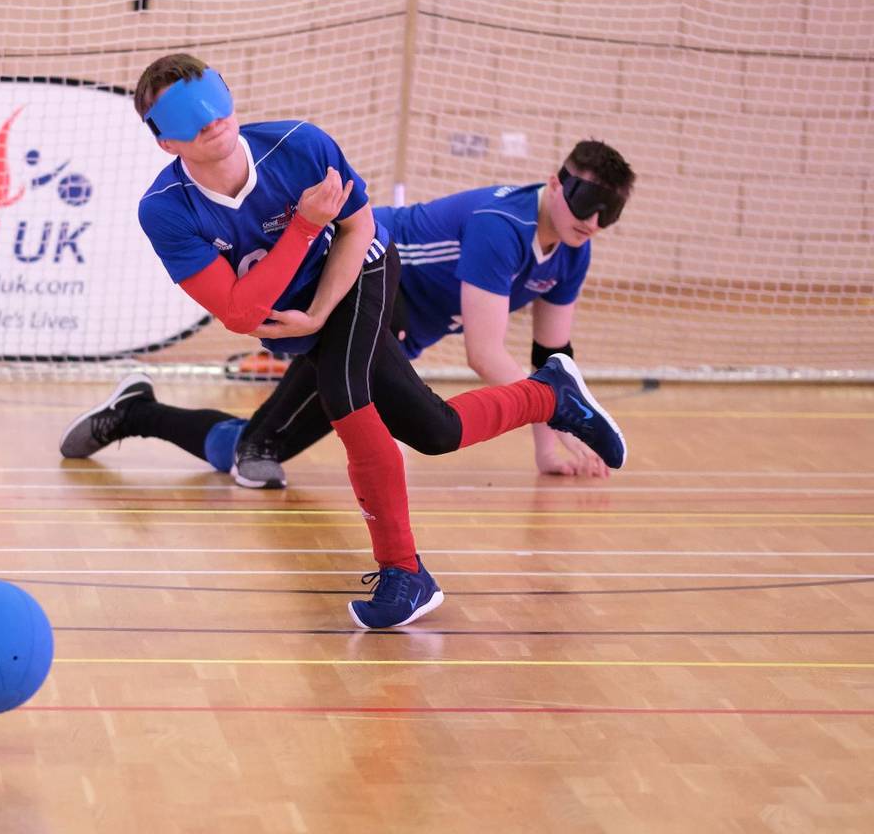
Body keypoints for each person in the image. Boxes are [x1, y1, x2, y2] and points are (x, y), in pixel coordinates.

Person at [90, 53, 626, 629]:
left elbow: (360, 227)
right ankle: (549, 395)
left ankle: (405, 572)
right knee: (432, 430)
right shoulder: (165, 210)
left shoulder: (300, 145)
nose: (211, 123)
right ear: (165, 141)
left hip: (360, 271)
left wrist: (320, 307)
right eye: (188, 119)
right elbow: (242, 313)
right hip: (296, 323)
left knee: (347, 397)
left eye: (213, 105)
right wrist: (302, 232)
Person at [63, 140, 635, 487]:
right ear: (556, 185)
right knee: (423, 429)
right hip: (362, 286)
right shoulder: (502, 226)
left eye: (608, 216)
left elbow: (552, 361)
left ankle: (138, 412)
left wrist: (550, 449)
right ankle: (398, 569)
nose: (593, 223)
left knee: (262, 447)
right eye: (586, 205)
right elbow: (486, 356)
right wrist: (565, 417)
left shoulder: (571, 252)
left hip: (393, 329)